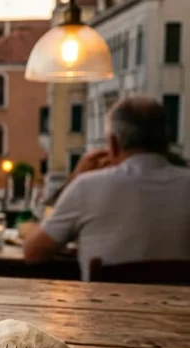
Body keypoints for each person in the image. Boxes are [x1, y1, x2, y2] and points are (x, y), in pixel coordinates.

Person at [22, 96, 190, 280]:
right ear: (166, 141)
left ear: (113, 144)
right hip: (178, 300)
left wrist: (74, 179)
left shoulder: (86, 186)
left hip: (105, 299)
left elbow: (33, 253)